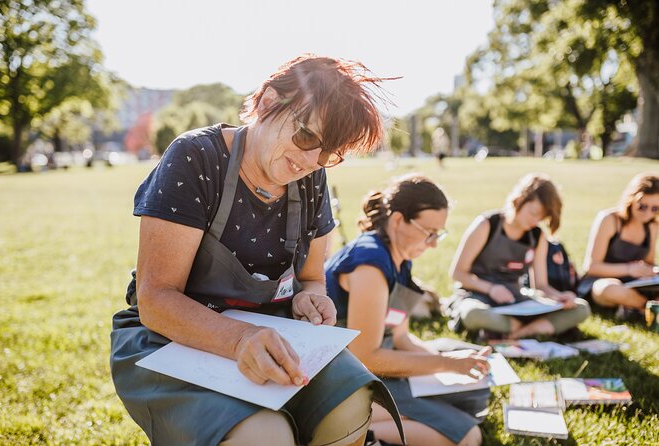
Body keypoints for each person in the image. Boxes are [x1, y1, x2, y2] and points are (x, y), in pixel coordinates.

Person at [110, 55, 404, 446]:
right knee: (265, 435)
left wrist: (310, 299)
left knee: (351, 405)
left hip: (276, 333)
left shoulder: (313, 180)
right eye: (306, 138)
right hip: (171, 339)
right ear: (267, 103)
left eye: (329, 155)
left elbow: (313, 278)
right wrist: (239, 339)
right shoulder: (196, 157)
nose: (311, 162)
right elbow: (156, 299)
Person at [326, 174, 492, 446]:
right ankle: (356, 436)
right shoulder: (370, 264)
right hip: (346, 382)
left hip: (380, 369)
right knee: (468, 437)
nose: (435, 243)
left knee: (476, 394)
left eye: (439, 234)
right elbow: (366, 357)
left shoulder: (399, 259)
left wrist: (450, 366)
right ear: (398, 220)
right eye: (429, 233)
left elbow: (400, 337)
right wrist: (447, 364)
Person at [447, 173, 590, 339]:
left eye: (542, 217)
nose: (535, 221)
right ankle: (534, 328)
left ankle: (516, 331)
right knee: (473, 314)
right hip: (477, 296)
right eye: (533, 212)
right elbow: (457, 273)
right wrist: (491, 289)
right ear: (519, 200)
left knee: (581, 308)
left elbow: (541, 286)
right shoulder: (487, 224)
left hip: (516, 301)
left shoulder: (538, 236)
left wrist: (560, 297)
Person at [577, 173, 659, 315]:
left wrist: (652, 270)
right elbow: (592, 267)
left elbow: (649, 263)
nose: (647, 213)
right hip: (603, 283)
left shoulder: (652, 227)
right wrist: (629, 269)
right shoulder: (610, 220)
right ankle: (649, 309)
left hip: (635, 284)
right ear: (631, 199)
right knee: (609, 289)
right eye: (642, 206)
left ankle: (635, 308)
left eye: (655, 208)